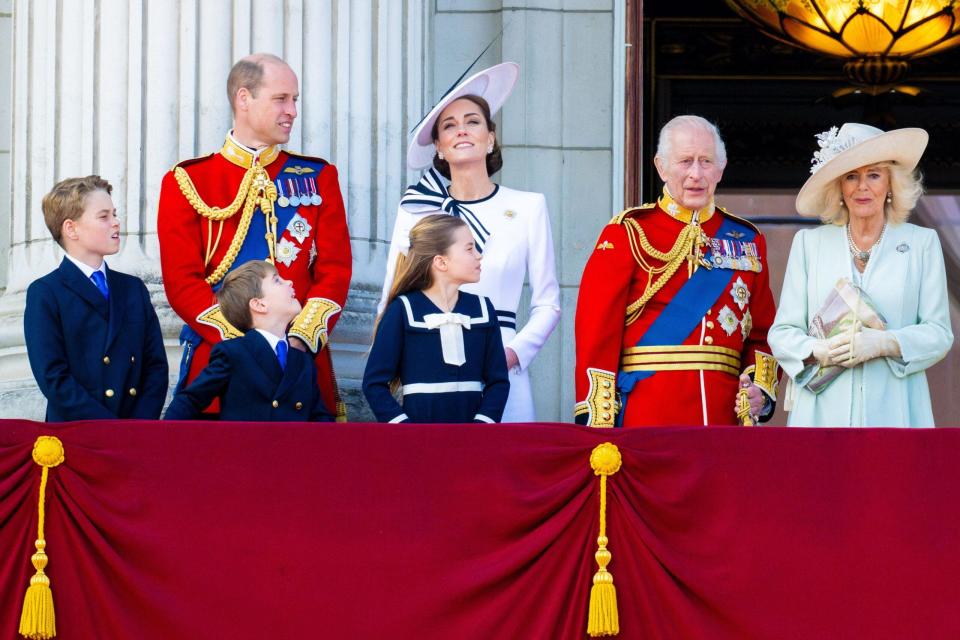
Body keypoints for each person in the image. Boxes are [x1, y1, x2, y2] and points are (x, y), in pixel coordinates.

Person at [157, 52, 351, 420]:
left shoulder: (318, 176)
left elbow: (336, 272)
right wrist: (246, 347)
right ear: (243, 98)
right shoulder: (188, 181)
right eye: (281, 99)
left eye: (295, 100)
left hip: (299, 365)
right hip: (220, 366)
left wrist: (299, 339)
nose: (292, 110)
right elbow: (182, 283)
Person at [379, 62, 560, 422]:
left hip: (502, 367)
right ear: (439, 148)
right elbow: (392, 296)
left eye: (473, 121)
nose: (462, 130)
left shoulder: (527, 207)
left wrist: (510, 354)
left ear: (490, 137)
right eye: (449, 125)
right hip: (429, 368)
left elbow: (548, 304)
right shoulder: (417, 209)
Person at [574, 115, 779, 427]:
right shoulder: (629, 232)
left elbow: (764, 333)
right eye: (685, 161)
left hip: (723, 417)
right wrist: (598, 419)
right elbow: (596, 329)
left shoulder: (748, 240)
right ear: (661, 167)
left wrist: (759, 391)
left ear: (721, 169)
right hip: (646, 413)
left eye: (706, 161)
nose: (696, 174)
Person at [768, 123, 953, 427]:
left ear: (891, 184)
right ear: (839, 186)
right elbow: (782, 333)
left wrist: (885, 343)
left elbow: (939, 334)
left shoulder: (922, 243)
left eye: (874, 175)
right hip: (820, 416)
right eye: (851, 176)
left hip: (896, 413)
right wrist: (820, 351)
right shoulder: (808, 244)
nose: (862, 186)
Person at [24, 176, 169, 421]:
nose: (116, 222)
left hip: (135, 433)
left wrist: (138, 427)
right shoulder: (46, 292)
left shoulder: (133, 289)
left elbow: (155, 366)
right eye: (104, 217)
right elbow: (53, 377)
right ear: (71, 228)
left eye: (114, 214)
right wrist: (107, 429)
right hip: (78, 434)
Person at [364, 215, 510, 423]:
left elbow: (498, 381)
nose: (479, 256)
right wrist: (405, 429)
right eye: (469, 249)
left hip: (473, 441)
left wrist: (483, 425)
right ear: (441, 262)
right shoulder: (402, 310)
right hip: (417, 442)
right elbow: (374, 384)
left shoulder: (483, 309)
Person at [164, 260, 333, 421]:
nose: (289, 282)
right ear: (259, 305)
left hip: (293, 450)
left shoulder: (303, 361)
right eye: (277, 281)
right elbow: (190, 400)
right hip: (245, 449)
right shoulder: (233, 353)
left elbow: (320, 418)